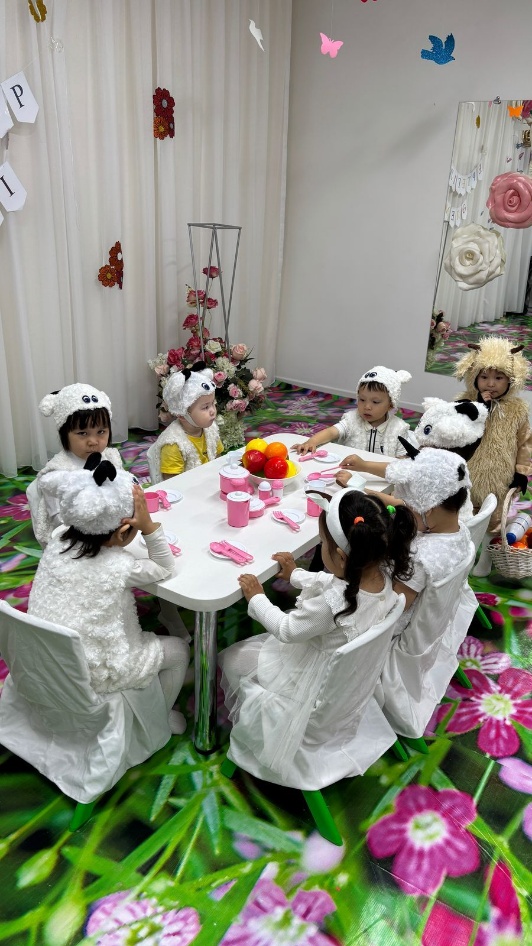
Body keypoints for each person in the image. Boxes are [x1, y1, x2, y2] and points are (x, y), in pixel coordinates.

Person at [218, 489, 417, 781]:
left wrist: (257, 598)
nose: (322, 546)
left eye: (323, 542)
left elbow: (286, 629)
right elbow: (332, 581)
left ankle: (257, 726)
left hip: (309, 682)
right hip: (348, 681)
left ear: (340, 556)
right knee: (256, 652)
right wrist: (296, 574)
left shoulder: (334, 604)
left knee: (233, 658)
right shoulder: (381, 578)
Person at [28, 455, 190, 734]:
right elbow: (165, 566)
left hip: (44, 655)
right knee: (179, 650)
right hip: (91, 671)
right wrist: (149, 526)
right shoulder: (118, 567)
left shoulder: (58, 538)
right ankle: (159, 719)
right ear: (123, 531)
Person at [338, 447, 473, 629]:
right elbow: (401, 503)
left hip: (394, 631)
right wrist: (361, 490)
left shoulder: (420, 560)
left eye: (408, 507)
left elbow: (392, 612)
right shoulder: (459, 528)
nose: (404, 511)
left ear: (428, 510)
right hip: (443, 615)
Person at [453, 337, 532, 575]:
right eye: (484, 376)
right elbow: (454, 432)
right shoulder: (464, 402)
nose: (490, 384)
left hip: (499, 477)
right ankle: (461, 557)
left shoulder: (517, 410)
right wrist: (478, 408)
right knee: (463, 514)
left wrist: (521, 472)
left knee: (494, 519)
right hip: (467, 472)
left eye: (499, 378)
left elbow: (525, 443)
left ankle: (485, 560)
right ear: (474, 376)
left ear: (511, 379)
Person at [30, 383, 123, 547]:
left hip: (115, 533)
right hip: (76, 543)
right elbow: (60, 521)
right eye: (82, 433)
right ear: (64, 434)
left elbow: (122, 489)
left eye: (101, 432)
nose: (93, 441)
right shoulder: (57, 473)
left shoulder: (110, 457)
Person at [293, 365, 413, 458]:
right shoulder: (352, 419)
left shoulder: (399, 428)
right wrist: (312, 441)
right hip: (349, 473)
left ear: (390, 405)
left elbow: (403, 461)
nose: (367, 406)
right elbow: (331, 432)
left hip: (380, 477)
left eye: (375, 402)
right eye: (362, 399)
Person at [147, 362, 223, 482]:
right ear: (182, 414)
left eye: (213, 403)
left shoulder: (211, 429)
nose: (213, 411)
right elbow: (172, 484)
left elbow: (218, 461)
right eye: (205, 407)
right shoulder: (173, 444)